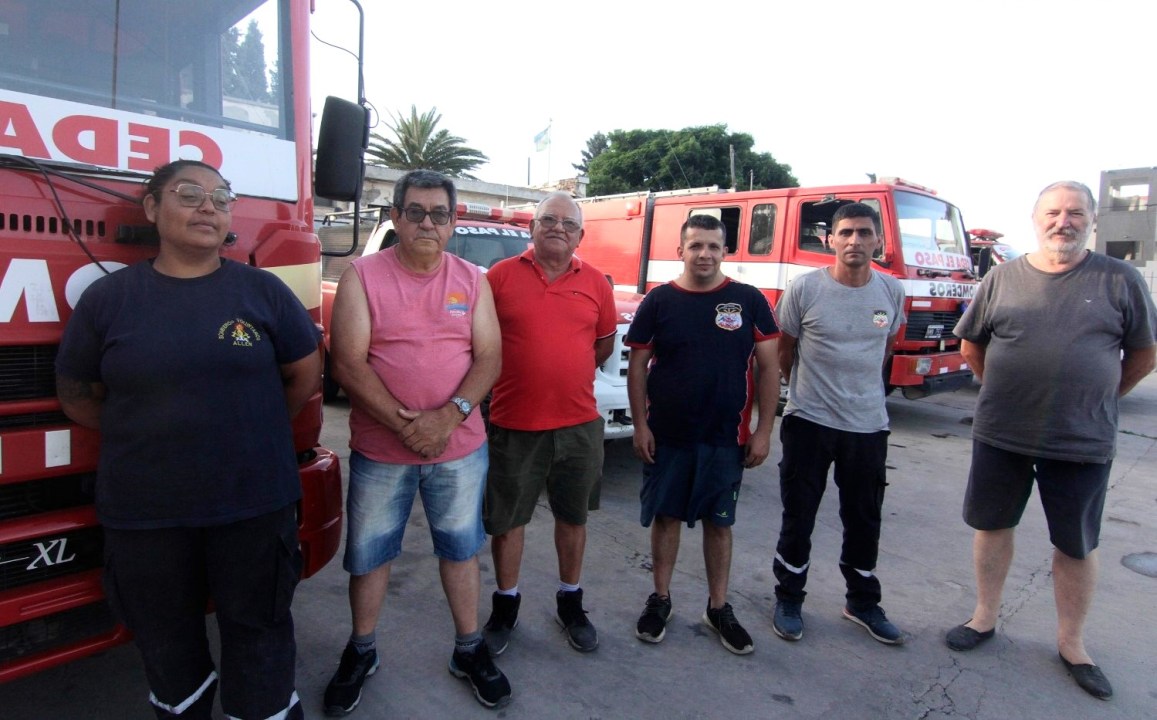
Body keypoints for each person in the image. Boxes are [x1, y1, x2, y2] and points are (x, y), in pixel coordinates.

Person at [55, 159, 318, 719]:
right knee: (166, 641)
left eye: (221, 198)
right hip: (146, 512)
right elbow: (77, 395)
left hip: (253, 504)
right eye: (191, 193)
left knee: (260, 632)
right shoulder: (109, 299)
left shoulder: (263, 291)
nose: (208, 207)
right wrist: (149, 429)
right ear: (152, 208)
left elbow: (302, 376)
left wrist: (247, 426)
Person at [946, 181, 1156, 700]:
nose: (1064, 221)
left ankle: (1072, 644)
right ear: (1036, 219)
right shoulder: (1001, 278)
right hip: (1002, 433)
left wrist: (1099, 396)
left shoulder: (1120, 279)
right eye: (1054, 212)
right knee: (993, 526)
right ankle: (983, 617)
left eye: (1075, 213)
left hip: (1082, 439)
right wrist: (1003, 390)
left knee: (1076, 543)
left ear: (1092, 221)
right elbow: (971, 346)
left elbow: (1144, 355)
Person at [323, 170, 510, 714]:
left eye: (439, 214)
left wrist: (448, 418)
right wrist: (410, 426)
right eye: (416, 212)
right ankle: (361, 650)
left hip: (460, 449)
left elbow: (490, 357)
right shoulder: (362, 276)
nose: (428, 223)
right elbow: (347, 363)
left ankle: (469, 648)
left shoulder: (472, 280)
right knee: (370, 555)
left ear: (452, 223)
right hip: (383, 451)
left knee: (461, 550)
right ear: (396, 217)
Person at [626, 214, 779, 654]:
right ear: (680, 251)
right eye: (695, 245)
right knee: (666, 517)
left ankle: (718, 607)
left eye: (713, 246)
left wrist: (763, 431)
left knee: (719, 523)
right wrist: (640, 425)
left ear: (725, 251)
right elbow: (637, 367)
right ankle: (661, 599)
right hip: (667, 436)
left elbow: (770, 368)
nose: (704, 254)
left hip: (725, 439)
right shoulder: (658, 301)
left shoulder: (748, 300)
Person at [482, 192, 619, 655]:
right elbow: (480, 342)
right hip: (513, 423)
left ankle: (570, 602)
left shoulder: (597, 282)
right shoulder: (499, 277)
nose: (558, 228)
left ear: (580, 235)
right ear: (532, 227)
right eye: (549, 219)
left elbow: (601, 345)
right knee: (508, 522)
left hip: (579, 425)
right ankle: (506, 605)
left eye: (568, 223)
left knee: (573, 518)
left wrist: (562, 370)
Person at [770, 202, 907, 647]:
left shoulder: (891, 291)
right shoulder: (805, 289)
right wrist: (805, 391)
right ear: (829, 240)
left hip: (868, 427)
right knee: (799, 516)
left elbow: (885, 346)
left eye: (864, 233)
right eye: (845, 232)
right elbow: (784, 350)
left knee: (864, 518)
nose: (854, 241)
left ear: (878, 241)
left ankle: (862, 602)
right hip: (810, 422)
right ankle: (789, 598)